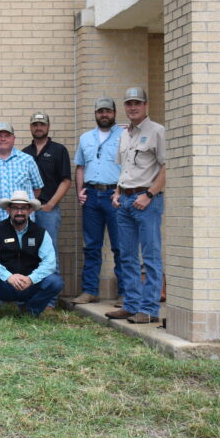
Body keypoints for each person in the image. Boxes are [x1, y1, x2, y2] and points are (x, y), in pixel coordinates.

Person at [108, 87, 165, 325]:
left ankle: (150, 308)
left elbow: (166, 167)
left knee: (150, 256)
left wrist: (150, 194)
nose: (133, 107)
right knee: (127, 256)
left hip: (146, 201)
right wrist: (117, 192)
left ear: (146, 105)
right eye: (129, 103)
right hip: (126, 201)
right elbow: (126, 169)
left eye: (137, 103)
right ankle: (131, 305)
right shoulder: (124, 134)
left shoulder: (157, 131)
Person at [0, 190, 63, 317]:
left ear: (30, 211)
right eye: (15, 208)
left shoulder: (41, 233)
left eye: (24, 208)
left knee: (55, 281)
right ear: (8, 210)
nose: (19, 212)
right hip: (3, 284)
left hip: (30, 285)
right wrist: (9, 277)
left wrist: (31, 279)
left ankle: (30, 311)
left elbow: (50, 263)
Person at [72, 98, 126, 305]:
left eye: (108, 111)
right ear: (95, 113)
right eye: (100, 111)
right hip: (92, 196)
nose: (104, 114)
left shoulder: (124, 135)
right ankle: (90, 290)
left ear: (114, 113)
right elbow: (80, 167)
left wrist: (121, 191)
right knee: (91, 246)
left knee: (120, 246)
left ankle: (125, 294)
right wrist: (80, 192)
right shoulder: (86, 138)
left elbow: (129, 165)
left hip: (115, 195)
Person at [22, 111, 71, 283]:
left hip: (47, 210)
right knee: (28, 251)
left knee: (49, 251)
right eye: (35, 124)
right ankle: (32, 294)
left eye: (42, 124)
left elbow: (66, 181)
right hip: (27, 212)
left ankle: (51, 298)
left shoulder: (59, 150)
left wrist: (50, 204)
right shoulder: (24, 153)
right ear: (30, 127)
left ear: (48, 127)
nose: (38, 127)